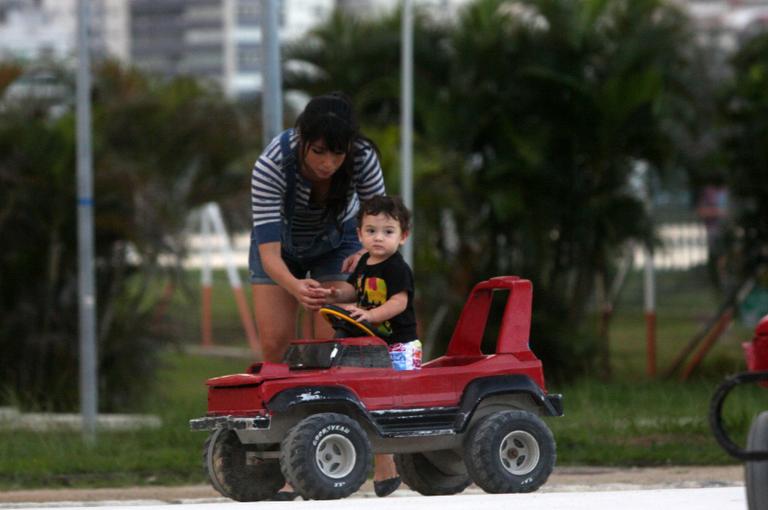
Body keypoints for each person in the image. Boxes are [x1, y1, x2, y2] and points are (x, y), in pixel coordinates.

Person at [248, 92, 396, 498]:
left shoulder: (363, 157)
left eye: (337, 153)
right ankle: (282, 458)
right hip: (280, 249)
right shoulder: (272, 165)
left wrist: (363, 257)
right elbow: (268, 254)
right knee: (276, 345)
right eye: (317, 152)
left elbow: (379, 223)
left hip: (340, 243)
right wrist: (295, 286)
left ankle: (379, 449)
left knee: (336, 344)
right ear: (302, 139)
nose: (327, 163)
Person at [327, 195, 419, 496]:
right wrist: (333, 295)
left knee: (397, 401)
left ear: (403, 236)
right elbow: (354, 291)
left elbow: (398, 302)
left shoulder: (397, 268)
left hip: (399, 346)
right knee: (374, 401)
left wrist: (370, 315)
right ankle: (385, 466)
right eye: (371, 231)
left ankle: (402, 456)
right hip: (374, 347)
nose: (379, 238)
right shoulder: (364, 262)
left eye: (388, 232)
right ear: (360, 235)